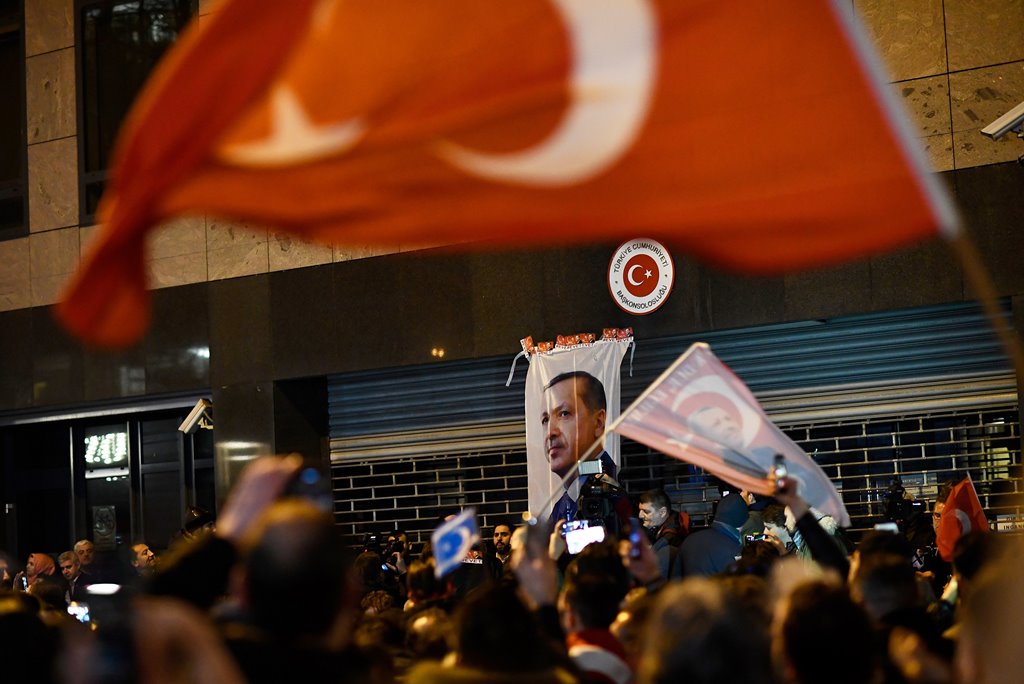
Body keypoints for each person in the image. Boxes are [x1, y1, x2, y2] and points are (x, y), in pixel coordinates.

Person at [543, 371, 619, 524]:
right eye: (545, 419)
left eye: (564, 414)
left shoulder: (614, 492)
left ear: (598, 422)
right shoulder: (563, 503)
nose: (551, 432)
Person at [677, 492, 748, 577]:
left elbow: (674, 580)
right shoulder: (733, 549)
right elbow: (739, 586)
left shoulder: (689, 541)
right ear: (741, 522)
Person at [638, 489, 685, 578]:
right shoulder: (662, 527)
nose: (640, 515)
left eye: (646, 512)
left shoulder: (670, 538)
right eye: (640, 510)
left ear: (662, 512)